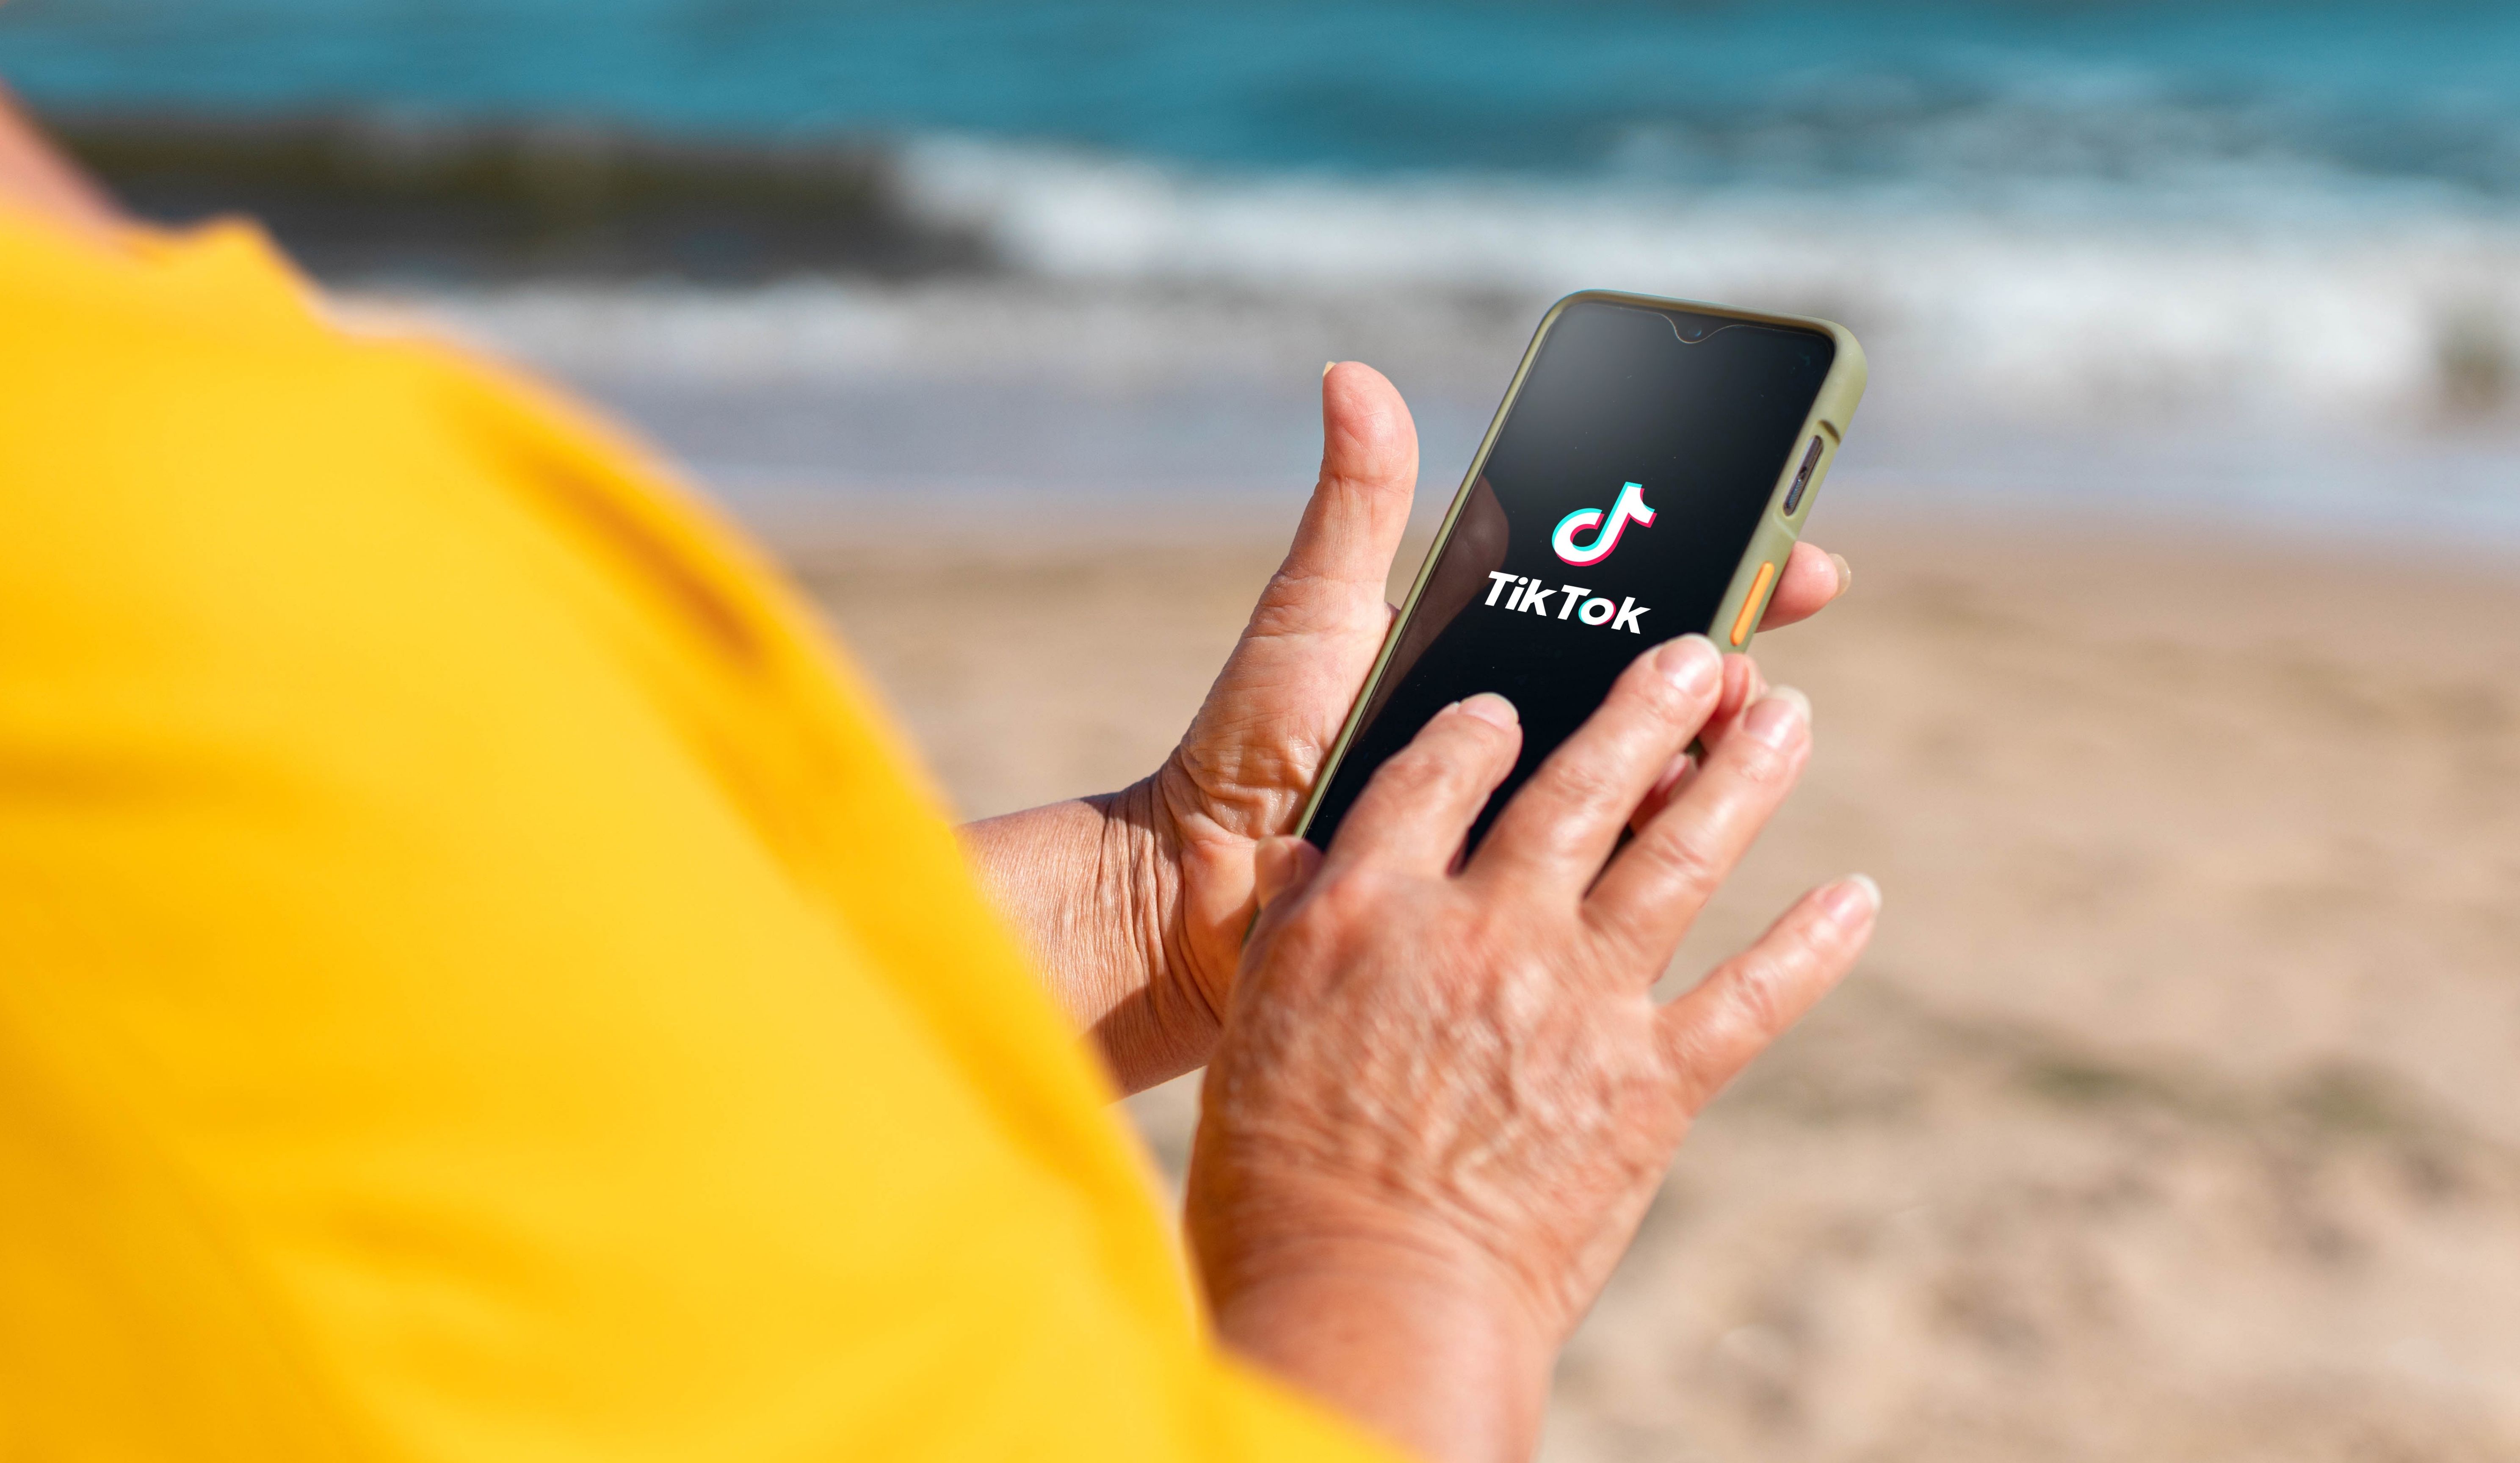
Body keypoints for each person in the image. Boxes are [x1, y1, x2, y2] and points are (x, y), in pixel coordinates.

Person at [0, 88, 1876, 1463]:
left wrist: (1156, 895)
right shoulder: (122, 574)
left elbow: (469, 1055)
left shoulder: (122, 432)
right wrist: (1414, 1232)